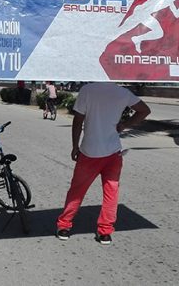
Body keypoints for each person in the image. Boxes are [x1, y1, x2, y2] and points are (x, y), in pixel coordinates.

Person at [56, 82, 151, 245]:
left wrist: (74, 146)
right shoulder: (122, 92)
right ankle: (105, 232)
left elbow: (78, 121)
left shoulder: (87, 90)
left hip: (89, 152)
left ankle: (64, 226)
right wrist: (125, 125)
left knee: (77, 190)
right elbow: (144, 111)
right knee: (111, 192)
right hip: (113, 152)